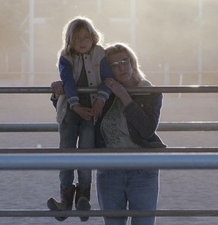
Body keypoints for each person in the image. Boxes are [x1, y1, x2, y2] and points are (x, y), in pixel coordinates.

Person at [47, 16, 113, 222]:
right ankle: (65, 198)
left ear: (93, 37)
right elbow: (67, 81)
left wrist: (100, 101)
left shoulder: (100, 53)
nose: (82, 42)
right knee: (66, 153)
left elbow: (107, 79)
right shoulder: (65, 56)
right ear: (69, 41)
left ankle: (83, 197)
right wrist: (75, 105)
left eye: (86, 37)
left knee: (85, 152)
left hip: (91, 112)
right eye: (77, 39)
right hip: (70, 112)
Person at [95, 43, 166, 225]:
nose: (122, 67)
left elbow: (147, 129)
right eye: (114, 64)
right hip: (109, 169)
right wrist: (59, 92)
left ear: (133, 63)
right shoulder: (101, 94)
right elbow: (76, 115)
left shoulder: (150, 92)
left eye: (125, 61)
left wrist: (124, 96)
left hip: (142, 168)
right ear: (107, 70)